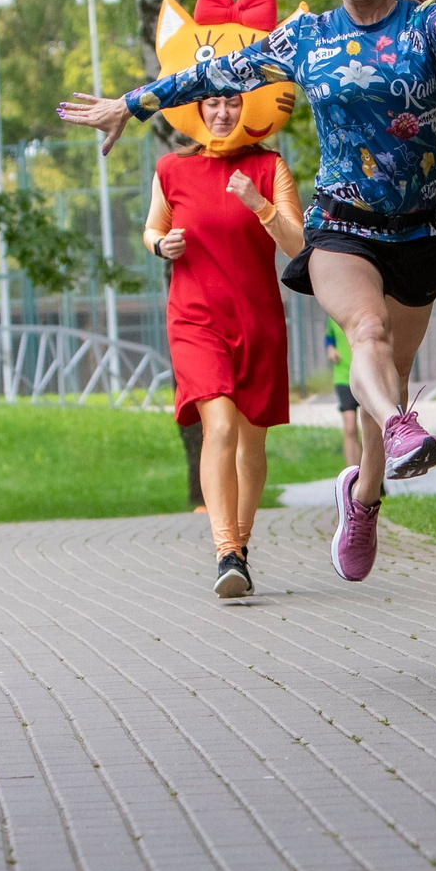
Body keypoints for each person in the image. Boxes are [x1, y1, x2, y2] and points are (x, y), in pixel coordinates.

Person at [60, 0, 436, 585]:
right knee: (366, 332)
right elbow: (213, 71)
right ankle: (400, 431)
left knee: (384, 372)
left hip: (420, 230)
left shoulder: (425, 26)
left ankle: (363, 497)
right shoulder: (308, 40)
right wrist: (128, 103)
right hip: (341, 224)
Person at [145, 91, 301, 598]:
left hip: (257, 321)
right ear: (196, 109)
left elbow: (298, 245)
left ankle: (241, 547)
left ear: (249, 107)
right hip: (194, 318)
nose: (222, 112)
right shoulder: (171, 169)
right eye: (212, 103)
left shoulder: (269, 166)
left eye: (233, 102)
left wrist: (258, 204)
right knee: (219, 424)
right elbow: (153, 227)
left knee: (252, 439)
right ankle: (225, 551)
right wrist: (159, 245)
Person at [325, 319, 360, 468]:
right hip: (343, 375)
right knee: (350, 427)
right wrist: (330, 349)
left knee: (371, 428)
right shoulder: (333, 312)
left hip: (366, 375)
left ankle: (373, 478)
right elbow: (329, 337)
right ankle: (352, 474)